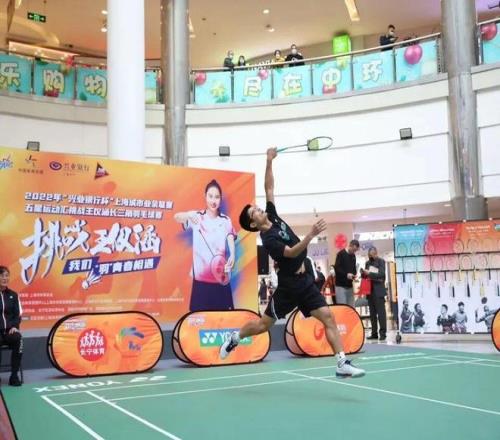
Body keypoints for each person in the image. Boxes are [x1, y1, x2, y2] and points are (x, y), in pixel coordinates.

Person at [220, 148, 365, 378]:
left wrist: (268, 161)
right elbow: (290, 252)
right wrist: (310, 235)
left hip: (305, 281)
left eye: (256, 207)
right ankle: (235, 338)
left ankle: (341, 363)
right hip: (289, 287)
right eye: (254, 211)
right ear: (253, 223)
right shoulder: (268, 240)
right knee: (262, 325)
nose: (258, 208)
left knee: (327, 317)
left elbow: (269, 187)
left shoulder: (272, 215)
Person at [174, 180, 236, 311]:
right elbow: (177, 217)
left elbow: (230, 236)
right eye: (210, 196)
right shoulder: (196, 216)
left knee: (223, 318)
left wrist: (233, 254)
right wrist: (188, 215)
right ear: (205, 196)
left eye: (217, 197)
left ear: (220, 199)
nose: (213, 200)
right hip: (200, 282)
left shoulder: (225, 220)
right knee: (200, 318)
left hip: (221, 278)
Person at [0, 266, 23, 387]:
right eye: (2, 276)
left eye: (7, 275)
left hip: (9, 331)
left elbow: (18, 314)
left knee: (19, 339)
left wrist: (15, 326)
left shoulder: (13, 295)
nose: (5, 278)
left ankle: (14, 376)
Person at [361, 247, 387, 341]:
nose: (370, 257)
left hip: (378, 290)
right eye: (369, 255)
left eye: (372, 255)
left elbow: (382, 274)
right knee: (372, 314)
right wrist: (363, 273)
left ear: (376, 253)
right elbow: (365, 276)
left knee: (381, 313)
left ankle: (383, 333)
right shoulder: (367, 263)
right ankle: (374, 333)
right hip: (369, 290)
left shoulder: (381, 261)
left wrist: (370, 273)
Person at [334, 240, 360, 307]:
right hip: (340, 286)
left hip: (349, 286)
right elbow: (337, 268)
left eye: (355, 250)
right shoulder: (341, 254)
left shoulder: (353, 256)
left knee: (351, 307)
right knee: (343, 307)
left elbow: (353, 269)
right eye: (353, 250)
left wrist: (354, 275)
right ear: (350, 246)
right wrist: (346, 275)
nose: (354, 252)